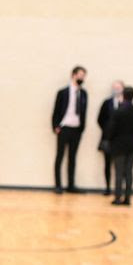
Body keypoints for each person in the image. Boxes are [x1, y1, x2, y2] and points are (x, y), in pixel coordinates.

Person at [104, 86, 133, 206]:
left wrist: (108, 139)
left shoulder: (118, 111)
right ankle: (128, 198)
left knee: (119, 171)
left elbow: (111, 129)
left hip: (119, 144)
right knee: (129, 171)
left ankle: (117, 197)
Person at [51, 66, 88, 194]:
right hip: (64, 128)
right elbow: (56, 111)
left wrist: (82, 128)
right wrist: (56, 126)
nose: (82, 78)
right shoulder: (63, 92)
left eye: (84, 76)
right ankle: (58, 185)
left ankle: (71, 185)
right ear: (73, 75)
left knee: (73, 157)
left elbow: (84, 112)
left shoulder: (83, 93)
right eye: (80, 75)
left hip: (76, 129)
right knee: (60, 156)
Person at [96, 80, 124, 196]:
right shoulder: (107, 103)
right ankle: (107, 187)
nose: (116, 89)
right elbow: (100, 119)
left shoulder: (126, 103)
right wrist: (108, 130)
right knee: (107, 164)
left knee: (121, 165)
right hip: (108, 138)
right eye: (114, 87)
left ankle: (119, 189)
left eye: (118, 87)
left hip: (121, 138)